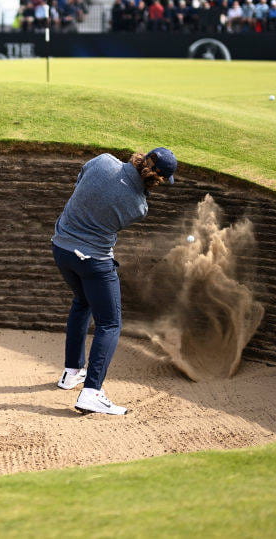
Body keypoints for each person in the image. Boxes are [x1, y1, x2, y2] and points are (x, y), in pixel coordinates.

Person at [51, 148, 178, 415]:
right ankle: (92, 392)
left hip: (61, 249)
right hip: (94, 262)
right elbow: (122, 200)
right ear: (159, 179)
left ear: (143, 157)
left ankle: (71, 372)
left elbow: (81, 185)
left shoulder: (102, 161)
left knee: (82, 301)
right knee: (109, 323)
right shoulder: (139, 206)